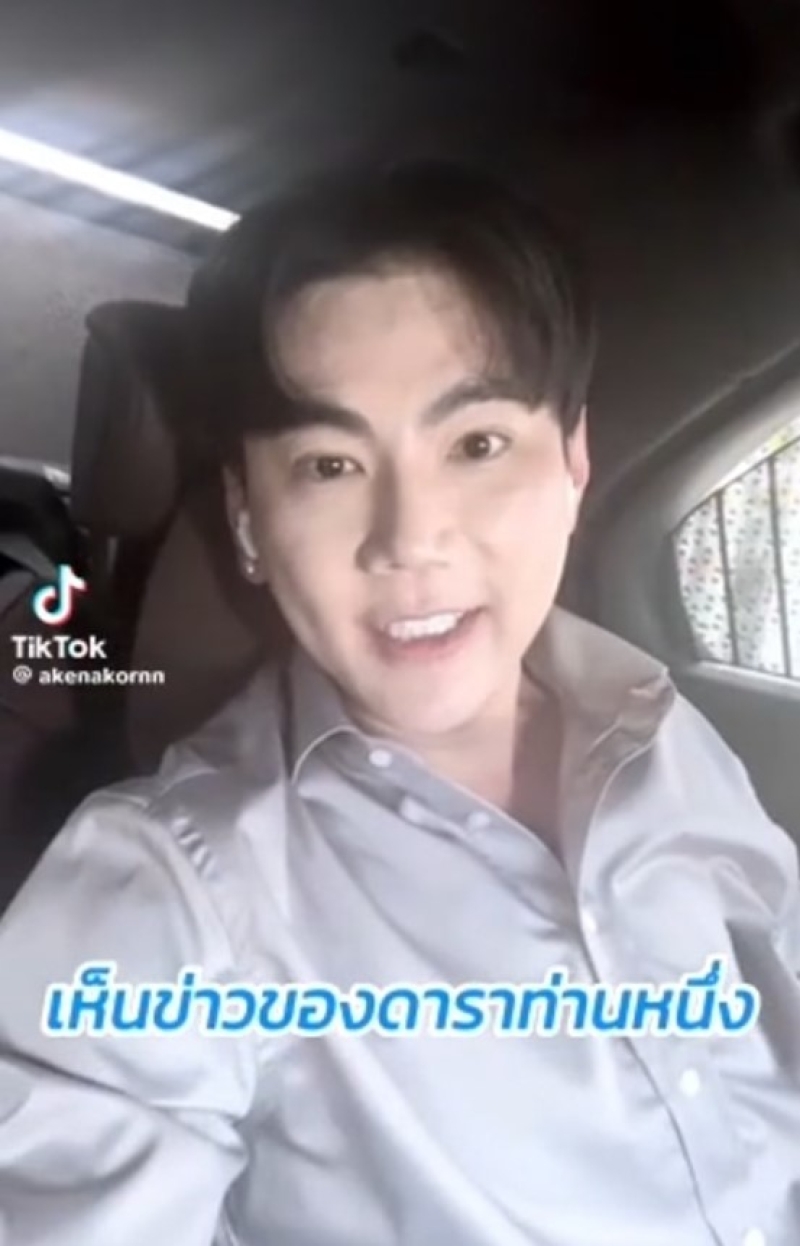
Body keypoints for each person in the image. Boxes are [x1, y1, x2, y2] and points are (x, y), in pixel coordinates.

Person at [0, 161, 798, 1246]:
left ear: (572, 463)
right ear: (248, 518)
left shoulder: (658, 729)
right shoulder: (168, 886)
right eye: (330, 465)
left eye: (476, 444)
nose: (410, 539)